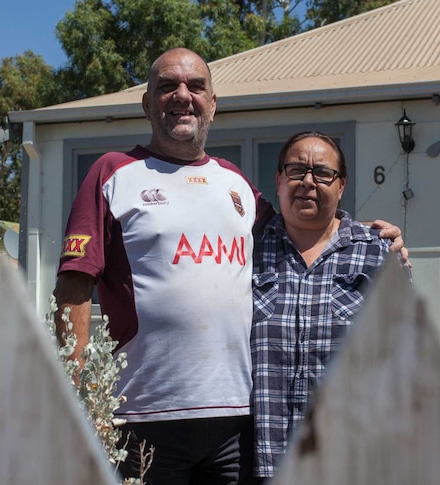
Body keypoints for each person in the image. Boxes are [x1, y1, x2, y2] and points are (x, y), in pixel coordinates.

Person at [53, 48, 404, 484]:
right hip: (141, 414)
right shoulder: (113, 173)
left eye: (196, 86)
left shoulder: (235, 184)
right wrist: (79, 393)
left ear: (213, 105)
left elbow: (302, 231)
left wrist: (367, 235)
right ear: (147, 104)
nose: (183, 96)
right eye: (167, 86)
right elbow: (73, 288)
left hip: (238, 421)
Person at [250, 132, 404, 480]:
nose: (307, 182)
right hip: (263, 462)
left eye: (322, 173)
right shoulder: (246, 253)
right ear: (278, 180)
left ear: (341, 185)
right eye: (296, 170)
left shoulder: (377, 254)